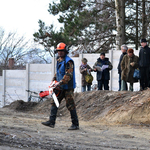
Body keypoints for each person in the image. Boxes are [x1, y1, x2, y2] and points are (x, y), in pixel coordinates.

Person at [42, 42, 79, 130]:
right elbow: (58, 72)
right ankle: (51, 122)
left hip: (68, 87)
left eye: (61, 51)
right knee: (54, 102)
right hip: (59, 86)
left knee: (70, 105)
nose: (60, 52)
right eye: (58, 51)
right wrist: (53, 81)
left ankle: (75, 124)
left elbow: (68, 75)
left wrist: (59, 83)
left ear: (65, 51)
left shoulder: (68, 62)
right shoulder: (59, 60)